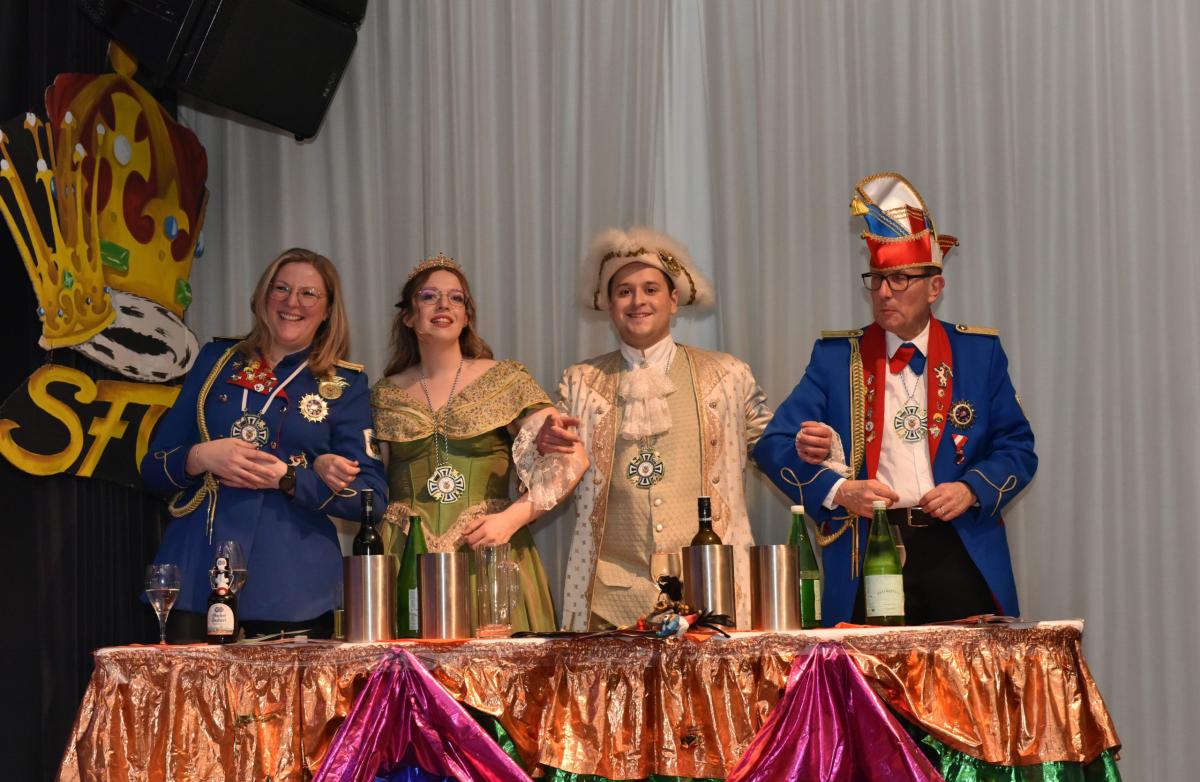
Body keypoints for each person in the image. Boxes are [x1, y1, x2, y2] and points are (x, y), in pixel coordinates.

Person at [754, 172, 1037, 625]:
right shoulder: (837, 358)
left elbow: (1017, 448)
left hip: (957, 546)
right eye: (878, 279)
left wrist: (970, 489)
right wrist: (841, 492)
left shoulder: (978, 354)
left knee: (966, 671)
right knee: (870, 672)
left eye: (900, 279)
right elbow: (773, 446)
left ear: (935, 288)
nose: (884, 292)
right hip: (871, 546)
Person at [533, 227, 772, 631]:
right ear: (609, 304)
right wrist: (542, 444)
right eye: (624, 291)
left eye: (650, 289)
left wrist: (819, 455)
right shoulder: (580, 383)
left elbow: (774, 448)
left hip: (711, 594)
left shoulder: (727, 375)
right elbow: (549, 476)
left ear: (673, 299)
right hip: (610, 604)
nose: (638, 301)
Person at [142, 247, 387, 640]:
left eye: (309, 294)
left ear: (328, 310)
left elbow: (371, 498)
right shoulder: (215, 361)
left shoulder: (344, 384)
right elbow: (153, 468)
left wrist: (290, 478)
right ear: (262, 296)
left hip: (292, 584)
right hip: (197, 570)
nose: (292, 302)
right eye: (281, 288)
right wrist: (200, 456)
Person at [370, 253, 587, 633]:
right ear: (408, 316)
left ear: (467, 315)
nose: (443, 305)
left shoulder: (505, 379)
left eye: (456, 298)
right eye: (429, 296)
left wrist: (511, 519)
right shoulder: (383, 395)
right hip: (405, 558)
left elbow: (574, 460)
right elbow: (370, 481)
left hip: (489, 552)